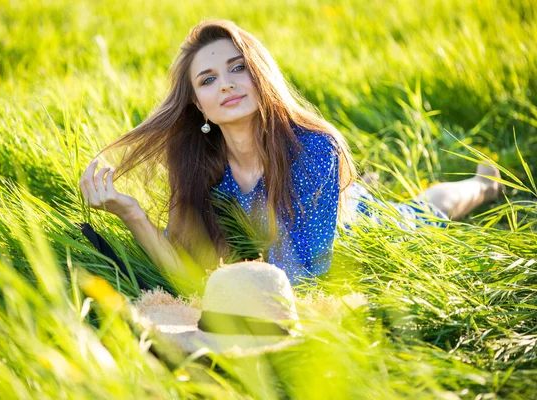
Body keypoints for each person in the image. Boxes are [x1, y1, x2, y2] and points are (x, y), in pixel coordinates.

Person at [79, 20, 503, 289]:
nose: (225, 84)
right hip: (274, 267)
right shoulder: (200, 168)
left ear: (259, 74)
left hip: (353, 235)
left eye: (237, 67)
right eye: (207, 79)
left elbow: (305, 277)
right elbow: (185, 273)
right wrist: (131, 214)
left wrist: (226, 285)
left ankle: (484, 184)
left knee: (419, 214)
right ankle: (359, 188)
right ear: (196, 105)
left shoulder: (317, 148)